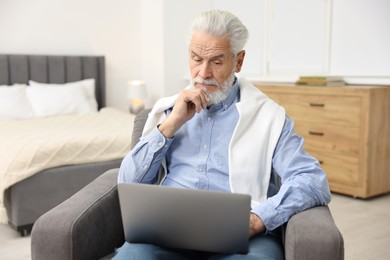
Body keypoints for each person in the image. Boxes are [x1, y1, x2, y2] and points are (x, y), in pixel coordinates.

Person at [114, 9, 331, 259]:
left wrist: (259, 218)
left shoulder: (269, 117)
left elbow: (311, 179)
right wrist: (171, 125)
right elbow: (126, 183)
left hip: (241, 237)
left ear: (238, 61)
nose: (203, 73)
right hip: (167, 231)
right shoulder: (168, 112)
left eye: (216, 61)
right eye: (196, 59)